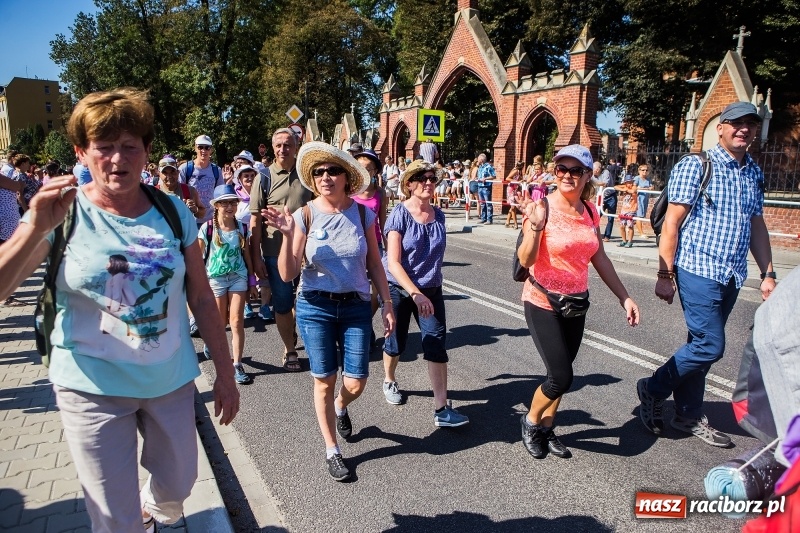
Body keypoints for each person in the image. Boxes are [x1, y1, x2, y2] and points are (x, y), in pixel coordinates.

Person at [0, 88, 238, 532]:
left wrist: (225, 373)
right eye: (103, 147)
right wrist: (33, 225)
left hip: (168, 377)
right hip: (89, 385)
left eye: (129, 146)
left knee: (180, 484)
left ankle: (153, 507)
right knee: (114, 519)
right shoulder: (63, 212)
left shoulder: (172, 212)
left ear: (147, 151)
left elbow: (203, 298)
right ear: (81, 152)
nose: (116, 158)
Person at [637, 101, 776, 447]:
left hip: (731, 274)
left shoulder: (753, 171)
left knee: (699, 344)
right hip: (697, 268)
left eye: (750, 124)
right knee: (710, 344)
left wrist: (768, 273)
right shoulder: (698, 166)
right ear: (721, 127)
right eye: (736, 123)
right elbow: (671, 221)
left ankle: (687, 414)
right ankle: (653, 388)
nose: (743, 129)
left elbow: (756, 225)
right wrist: (664, 274)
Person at [262, 142, 395, 481]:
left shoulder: (363, 214)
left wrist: (388, 303)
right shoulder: (304, 215)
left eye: (332, 171)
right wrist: (290, 236)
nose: (324, 177)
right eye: (318, 172)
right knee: (324, 379)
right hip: (315, 305)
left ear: (347, 178)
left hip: (355, 306)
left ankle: (341, 406)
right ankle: (332, 449)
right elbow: (289, 274)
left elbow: (374, 263)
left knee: (357, 379)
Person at [517, 144, 639, 460]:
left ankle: (546, 428)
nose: (567, 176)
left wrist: (624, 297)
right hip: (542, 299)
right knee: (561, 376)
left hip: (575, 303)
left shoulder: (590, 212)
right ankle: (530, 422)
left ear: (588, 175)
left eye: (575, 171)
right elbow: (525, 259)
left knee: (561, 375)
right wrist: (535, 226)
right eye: (561, 169)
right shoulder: (540, 207)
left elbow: (599, 257)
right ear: (554, 172)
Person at [380, 159, 470, 427]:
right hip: (399, 287)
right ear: (409, 185)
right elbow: (393, 263)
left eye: (432, 178)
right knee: (396, 342)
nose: (429, 183)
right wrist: (414, 293)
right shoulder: (399, 214)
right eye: (422, 178)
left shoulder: (439, 215)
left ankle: (441, 409)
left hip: (430, 289)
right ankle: (389, 379)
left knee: (435, 343)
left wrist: (425, 291)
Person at [250, 128, 313, 372]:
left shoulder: (307, 174)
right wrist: (256, 258)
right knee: (283, 304)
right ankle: (290, 349)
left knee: (306, 301)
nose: (282, 149)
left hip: (307, 252)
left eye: (288, 144)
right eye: (278, 145)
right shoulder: (263, 177)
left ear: (296, 146)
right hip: (275, 252)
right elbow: (255, 222)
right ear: (273, 147)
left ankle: (297, 334)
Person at [200, 184, 258, 385]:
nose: (229, 206)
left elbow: (247, 255)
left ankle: (236, 364)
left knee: (236, 321)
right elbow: (199, 259)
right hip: (215, 278)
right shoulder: (207, 228)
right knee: (220, 322)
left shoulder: (241, 227)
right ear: (216, 206)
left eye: (232, 202)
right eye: (224, 202)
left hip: (237, 277)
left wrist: (252, 281)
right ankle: (211, 343)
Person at [352, 149, 388, 344]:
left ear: (375, 171)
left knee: (377, 291)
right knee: (357, 288)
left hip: (374, 246)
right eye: (360, 167)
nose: (364, 171)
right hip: (353, 247)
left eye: (368, 168)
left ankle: (365, 320)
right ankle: (360, 327)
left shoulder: (380, 194)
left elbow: (383, 225)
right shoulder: (348, 191)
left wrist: (389, 250)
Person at [233, 164, 269, 320]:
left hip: (261, 237)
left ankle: (265, 306)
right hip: (241, 240)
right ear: (240, 179)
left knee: (264, 271)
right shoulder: (234, 197)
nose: (249, 178)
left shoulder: (264, 194)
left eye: (251, 175)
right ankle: (247, 305)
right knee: (245, 272)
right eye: (245, 175)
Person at [179, 134, 224, 228]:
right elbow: (178, 193)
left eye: (207, 147)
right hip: (190, 220)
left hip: (211, 220)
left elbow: (220, 195)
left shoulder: (217, 170)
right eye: (200, 147)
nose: (203, 151)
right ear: (195, 148)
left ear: (211, 150)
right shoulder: (186, 169)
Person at [155, 156, 204, 220]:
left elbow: (202, 214)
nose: (169, 176)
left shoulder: (189, 191)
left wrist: (195, 209)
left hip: (184, 229)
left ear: (178, 172)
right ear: (159, 174)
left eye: (172, 172)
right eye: (165, 173)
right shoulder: (154, 193)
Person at [595, 161, 617, 242]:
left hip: (611, 196)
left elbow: (605, 183)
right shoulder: (592, 175)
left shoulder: (606, 172)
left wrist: (593, 183)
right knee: (596, 216)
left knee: (610, 217)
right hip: (601, 197)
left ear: (598, 169)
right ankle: (594, 234)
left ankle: (607, 236)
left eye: (594, 169)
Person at [614, 175, 638, 247]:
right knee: (622, 226)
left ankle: (630, 241)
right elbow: (615, 187)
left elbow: (633, 191)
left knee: (630, 226)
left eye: (631, 182)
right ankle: (624, 240)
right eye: (628, 183)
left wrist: (626, 190)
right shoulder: (624, 187)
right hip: (624, 210)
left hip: (631, 209)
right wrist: (623, 188)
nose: (629, 184)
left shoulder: (634, 187)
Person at [475, 153, 496, 224]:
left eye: (478, 159)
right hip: (480, 186)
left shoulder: (488, 166)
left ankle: (489, 219)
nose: (477, 160)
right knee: (482, 203)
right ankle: (483, 218)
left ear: (481, 159)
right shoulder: (480, 167)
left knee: (488, 203)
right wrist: (477, 178)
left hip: (486, 187)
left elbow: (493, 176)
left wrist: (485, 178)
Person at [633, 164, 652, 237]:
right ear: (639, 171)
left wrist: (650, 188)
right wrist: (646, 189)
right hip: (638, 198)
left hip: (645, 199)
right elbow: (635, 187)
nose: (645, 171)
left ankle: (630, 226)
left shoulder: (648, 179)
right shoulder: (637, 178)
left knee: (642, 214)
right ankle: (641, 233)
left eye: (646, 170)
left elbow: (651, 187)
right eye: (643, 170)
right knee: (639, 215)